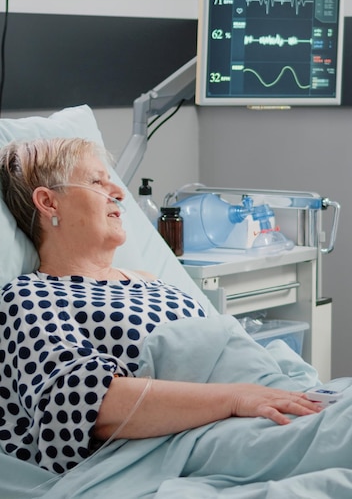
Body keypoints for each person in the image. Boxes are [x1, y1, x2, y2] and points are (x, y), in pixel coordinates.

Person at [0, 137, 321, 475]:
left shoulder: (152, 282)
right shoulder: (30, 297)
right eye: (97, 181)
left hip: (263, 408)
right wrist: (235, 399)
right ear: (48, 202)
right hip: (200, 440)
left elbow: (224, 352)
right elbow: (81, 400)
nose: (120, 193)